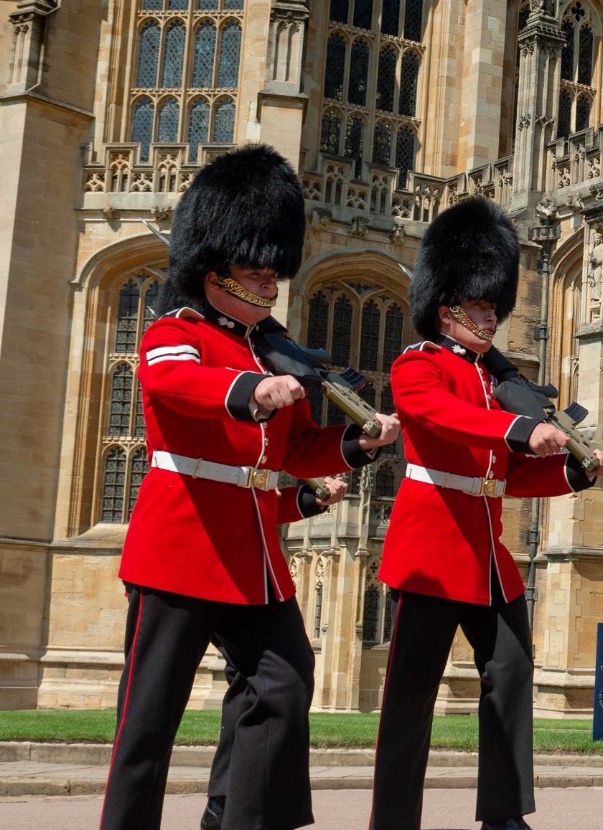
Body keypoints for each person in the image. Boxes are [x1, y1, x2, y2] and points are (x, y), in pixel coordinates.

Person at [98, 144, 401, 830]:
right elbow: (172, 381)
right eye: (255, 267)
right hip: (179, 548)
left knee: (285, 682)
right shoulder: (173, 331)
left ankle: (235, 816)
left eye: (274, 269)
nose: (270, 281)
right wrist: (252, 389)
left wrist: (358, 442)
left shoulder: (271, 348)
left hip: (253, 563)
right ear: (215, 267)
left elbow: (295, 448)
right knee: (147, 723)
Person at [368, 197, 603, 830]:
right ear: (446, 306)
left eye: (494, 307)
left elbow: (506, 479)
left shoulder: (495, 382)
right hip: (429, 553)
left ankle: (503, 815)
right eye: (480, 306)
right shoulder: (416, 365)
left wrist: (573, 468)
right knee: (410, 701)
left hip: (487, 559)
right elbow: (441, 419)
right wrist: (517, 429)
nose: (491, 317)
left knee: (509, 675)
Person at [199, 476, 348, 830]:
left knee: (271, 677)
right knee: (152, 708)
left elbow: (279, 455)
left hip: (252, 549)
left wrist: (350, 449)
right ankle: (224, 803)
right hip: (185, 540)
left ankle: (227, 806)